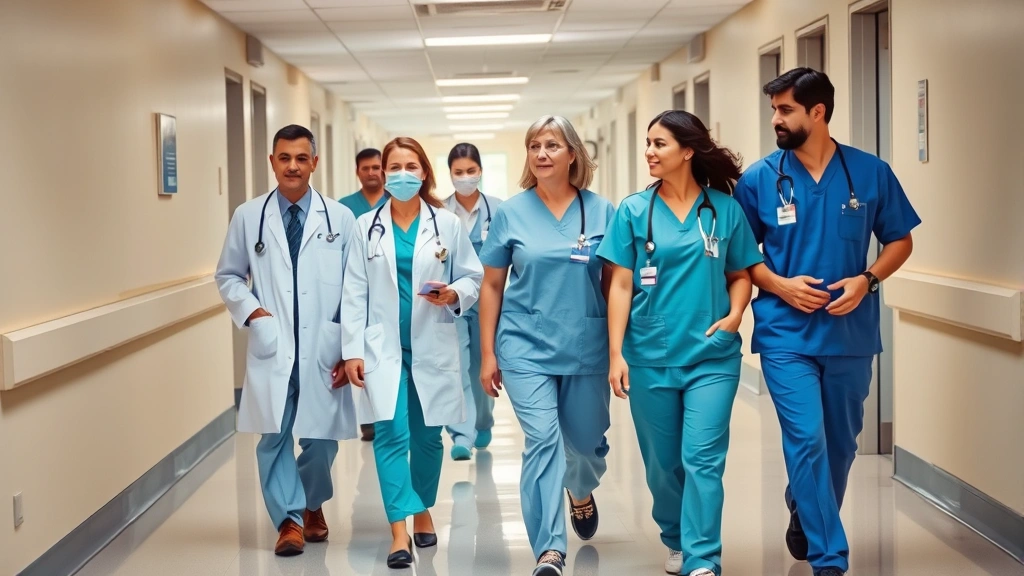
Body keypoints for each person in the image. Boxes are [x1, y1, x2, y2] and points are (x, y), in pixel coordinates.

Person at [733, 68, 920, 576]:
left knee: (839, 443)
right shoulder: (758, 179)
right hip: (784, 332)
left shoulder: (870, 172)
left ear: (818, 112)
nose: (775, 118)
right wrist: (780, 285)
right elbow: (741, 258)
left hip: (850, 332)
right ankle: (829, 556)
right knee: (807, 439)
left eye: (785, 109)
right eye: (773, 109)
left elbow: (900, 239)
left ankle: (805, 503)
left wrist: (869, 279)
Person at [597, 111, 763, 576]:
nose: (649, 152)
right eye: (647, 143)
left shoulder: (724, 209)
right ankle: (675, 537)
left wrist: (734, 316)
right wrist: (616, 354)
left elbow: (740, 274)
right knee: (662, 465)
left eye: (659, 143)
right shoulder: (634, 210)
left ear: (688, 151)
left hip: (713, 356)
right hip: (650, 355)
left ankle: (703, 556)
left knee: (702, 460)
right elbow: (621, 286)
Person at [477, 116, 614, 576]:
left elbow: (617, 284)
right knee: (543, 441)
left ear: (573, 154)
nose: (541, 153)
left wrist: (620, 350)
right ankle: (549, 549)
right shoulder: (511, 213)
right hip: (524, 344)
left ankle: (580, 490)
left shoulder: (602, 212)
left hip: (585, 342)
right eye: (534, 145)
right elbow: (492, 285)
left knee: (586, 446)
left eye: (552, 145)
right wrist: (489, 353)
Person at [215, 124, 358, 556]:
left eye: (301, 158)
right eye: (284, 158)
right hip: (275, 344)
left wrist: (349, 349)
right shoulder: (248, 215)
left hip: (323, 348)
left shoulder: (340, 218)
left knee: (321, 439)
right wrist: (253, 312)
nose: (292, 166)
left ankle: (312, 502)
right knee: (274, 436)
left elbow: (355, 289)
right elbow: (227, 276)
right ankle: (290, 520)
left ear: (314, 162)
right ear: (272, 162)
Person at [341, 137, 483, 570]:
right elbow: (353, 292)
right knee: (390, 435)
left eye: (411, 166)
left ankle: (422, 507)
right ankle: (399, 531)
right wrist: (351, 350)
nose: (402, 174)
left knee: (427, 440)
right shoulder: (365, 226)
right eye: (394, 166)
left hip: (432, 344)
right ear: (382, 173)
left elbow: (473, 277)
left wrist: (453, 292)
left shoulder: (447, 225)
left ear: (424, 173)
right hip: (383, 350)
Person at [442, 142, 504, 461]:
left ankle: (483, 420)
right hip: (452, 300)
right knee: (458, 365)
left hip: (488, 301)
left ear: (480, 171)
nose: (465, 177)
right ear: (449, 174)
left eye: (471, 171)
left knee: (483, 363)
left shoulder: (499, 209)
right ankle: (461, 433)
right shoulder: (439, 212)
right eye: (458, 172)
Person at [338, 147, 386, 442]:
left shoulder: (396, 202)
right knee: (361, 354)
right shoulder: (345, 208)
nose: (371, 172)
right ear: (357, 171)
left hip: (385, 291)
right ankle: (368, 419)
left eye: (376, 167)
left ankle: (381, 415)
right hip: (355, 290)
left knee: (383, 355)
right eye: (365, 168)